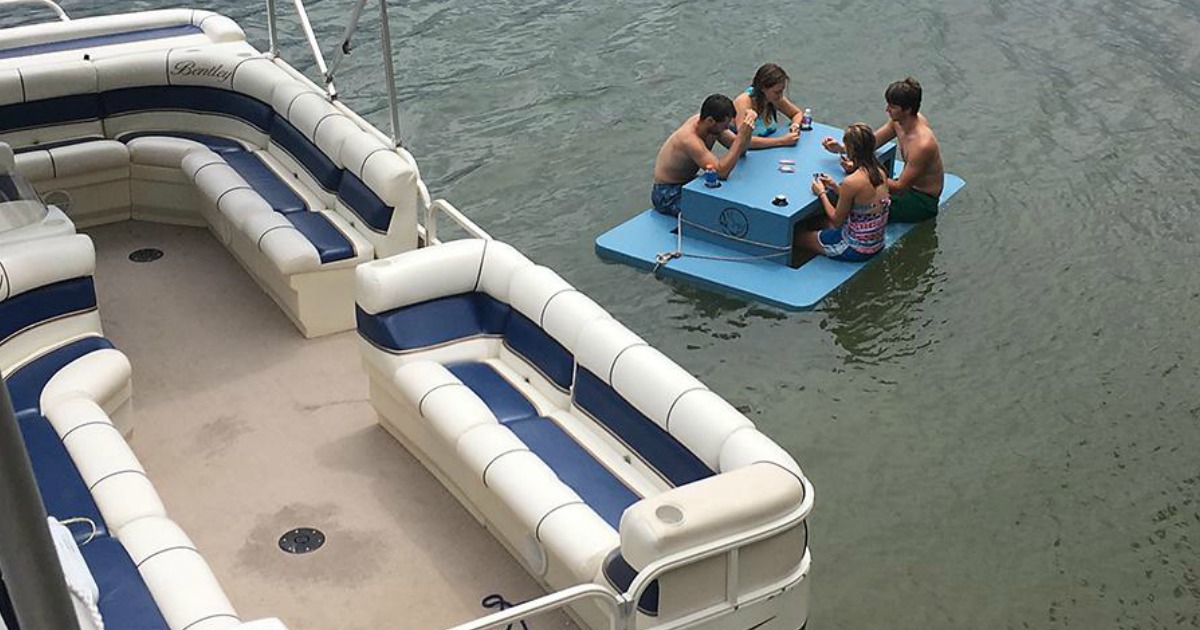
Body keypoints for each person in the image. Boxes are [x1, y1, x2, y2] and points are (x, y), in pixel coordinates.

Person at [821, 77, 944, 222]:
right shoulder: (898, 122)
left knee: (852, 196)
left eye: (892, 107)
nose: (887, 110)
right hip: (905, 187)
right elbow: (872, 143)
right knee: (847, 191)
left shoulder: (922, 145)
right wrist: (843, 148)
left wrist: (858, 171)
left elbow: (900, 188)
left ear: (907, 110)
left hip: (921, 200)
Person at [797, 123, 891, 262]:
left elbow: (836, 221)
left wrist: (821, 193)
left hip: (855, 248)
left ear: (851, 149)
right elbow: (861, 200)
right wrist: (835, 186)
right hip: (876, 242)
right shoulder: (880, 172)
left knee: (798, 237)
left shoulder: (851, 182)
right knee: (819, 221)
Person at [651, 94, 756, 217]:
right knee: (710, 213)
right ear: (710, 121)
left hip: (689, 181)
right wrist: (741, 137)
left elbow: (740, 149)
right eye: (725, 125)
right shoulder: (689, 139)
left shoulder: (712, 127)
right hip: (667, 192)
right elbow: (721, 173)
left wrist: (747, 130)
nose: (727, 128)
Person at [733, 63, 805, 149]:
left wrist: (795, 125)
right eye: (777, 92)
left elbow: (796, 113)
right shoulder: (743, 102)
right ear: (763, 88)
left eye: (782, 91)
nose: (781, 96)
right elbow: (742, 140)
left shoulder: (774, 98)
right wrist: (782, 141)